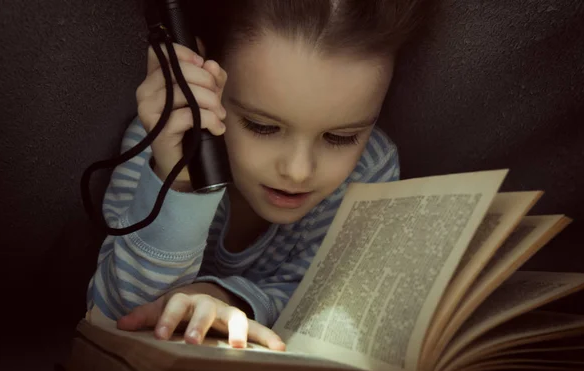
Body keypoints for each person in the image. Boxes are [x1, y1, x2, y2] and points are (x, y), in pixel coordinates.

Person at [87, 0, 425, 351]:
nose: (298, 171)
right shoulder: (157, 143)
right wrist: (180, 181)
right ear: (200, 77)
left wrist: (226, 299)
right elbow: (114, 314)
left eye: (341, 137)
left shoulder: (369, 170)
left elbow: (324, 306)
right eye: (262, 126)